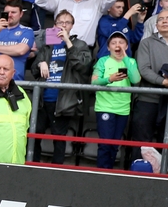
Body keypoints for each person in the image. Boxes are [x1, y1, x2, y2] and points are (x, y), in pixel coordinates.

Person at [30, 10, 92, 164]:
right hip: (43, 99)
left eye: (67, 22)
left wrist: (68, 43)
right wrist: (40, 63)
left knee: (59, 138)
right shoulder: (48, 45)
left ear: (72, 26)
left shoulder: (79, 44)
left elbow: (83, 66)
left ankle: (56, 169)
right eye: (60, 22)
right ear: (54, 25)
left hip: (63, 100)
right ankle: (33, 166)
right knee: (35, 134)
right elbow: (33, 70)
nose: (63, 25)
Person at [92, 31, 141, 169]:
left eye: (121, 42)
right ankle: (102, 172)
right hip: (104, 107)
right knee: (105, 143)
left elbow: (136, 80)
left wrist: (125, 58)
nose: (117, 45)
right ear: (108, 48)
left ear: (126, 46)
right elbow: (94, 83)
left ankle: (110, 173)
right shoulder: (103, 61)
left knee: (114, 144)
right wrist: (109, 79)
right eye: (113, 43)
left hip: (123, 109)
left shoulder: (131, 61)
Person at [34, 0, 119, 47]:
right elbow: (39, 1)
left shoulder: (97, 1)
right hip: (59, 46)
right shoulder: (60, 1)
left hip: (83, 50)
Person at [133, 9, 168, 164]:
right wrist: (163, 82)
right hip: (148, 98)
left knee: (164, 141)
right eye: (161, 19)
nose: (164, 21)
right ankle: (139, 174)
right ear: (156, 24)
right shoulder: (146, 43)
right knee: (142, 140)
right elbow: (144, 69)